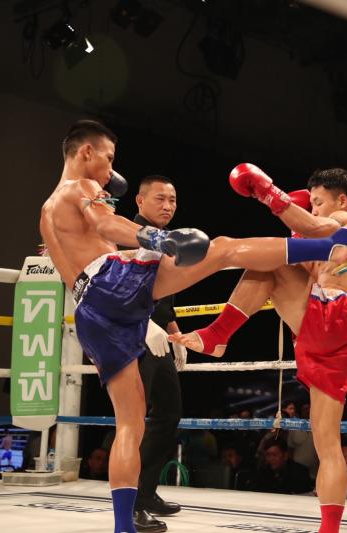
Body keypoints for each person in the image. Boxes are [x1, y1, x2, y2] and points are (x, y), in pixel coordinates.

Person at [39, 121, 347, 533]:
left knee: (129, 425)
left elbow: (78, 253)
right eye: (108, 157)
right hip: (111, 282)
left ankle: (123, 527)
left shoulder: (46, 213)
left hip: (88, 310)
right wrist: (158, 239)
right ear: (86, 152)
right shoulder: (80, 187)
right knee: (223, 248)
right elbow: (106, 226)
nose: (110, 169)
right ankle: (328, 246)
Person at [172, 165, 347, 533]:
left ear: (341, 200)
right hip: (343, 338)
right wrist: (298, 233)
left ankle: (218, 334)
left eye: (318, 202)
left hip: (334, 317)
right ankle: (329, 529)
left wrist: (267, 192)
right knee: (327, 443)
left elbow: (312, 228)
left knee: (270, 265)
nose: (314, 209)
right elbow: (312, 253)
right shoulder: (338, 246)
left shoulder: (346, 219)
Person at [128, 176, 187, 532]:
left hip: (159, 336)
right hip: (131, 334)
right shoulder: (127, 234)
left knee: (169, 413)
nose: (168, 206)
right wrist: (143, 323)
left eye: (173, 199)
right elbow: (114, 287)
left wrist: (174, 329)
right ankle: (131, 506)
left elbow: (164, 292)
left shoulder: (168, 239)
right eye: (160, 199)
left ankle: (146, 492)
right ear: (140, 201)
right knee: (134, 421)